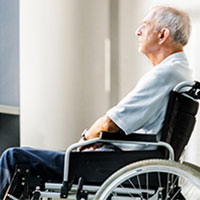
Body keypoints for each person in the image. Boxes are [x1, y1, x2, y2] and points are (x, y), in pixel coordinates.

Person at [0, 5, 193, 198]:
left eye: (145, 25)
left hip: (121, 162)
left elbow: (110, 123)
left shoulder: (164, 74)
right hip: (134, 159)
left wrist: (85, 140)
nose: (138, 31)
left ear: (162, 35)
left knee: (14, 157)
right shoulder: (180, 72)